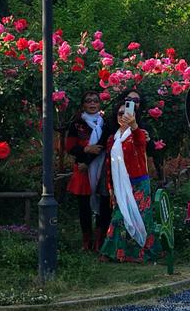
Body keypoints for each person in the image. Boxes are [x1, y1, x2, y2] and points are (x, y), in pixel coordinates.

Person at [99, 89, 158, 263]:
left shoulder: (138, 134)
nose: (123, 116)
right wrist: (110, 187)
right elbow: (109, 164)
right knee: (119, 218)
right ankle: (113, 252)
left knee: (141, 218)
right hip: (120, 185)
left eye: (127, 113)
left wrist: (134, 125)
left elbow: (140, 141)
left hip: (139, 183)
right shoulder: (112, 139)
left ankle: (142, 253)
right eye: (120, 113)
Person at [64, 91, 111, 252]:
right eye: (88, 101)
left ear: (99, 104)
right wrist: (86, 149)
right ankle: (87, 241)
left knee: (104, 203)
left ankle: (99, 240)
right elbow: (70, 147)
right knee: (84, 206)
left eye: (95, 101)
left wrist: (90, 157)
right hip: (83, 168)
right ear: (83, 105)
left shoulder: (105, 123)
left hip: (102, 166)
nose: (92, 104)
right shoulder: (77, 124)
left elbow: (104, 144)